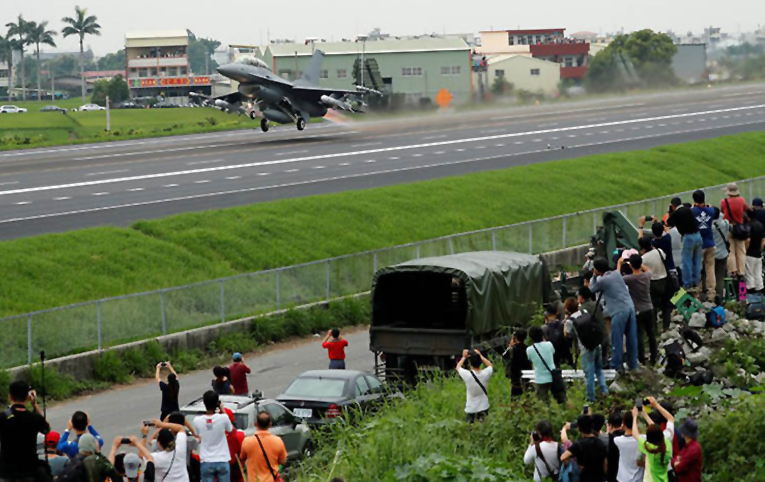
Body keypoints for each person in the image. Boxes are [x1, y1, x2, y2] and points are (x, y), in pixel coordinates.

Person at [589, 258, 638, 371]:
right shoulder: (616, 274)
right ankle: (632, 364)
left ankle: (616, 365)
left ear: (597, 269)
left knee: (617, 339)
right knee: (631, 338)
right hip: (630, 307)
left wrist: (594, 276)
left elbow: (592, 289)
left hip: (618, 311)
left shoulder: (603, 280)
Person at [0, 381, 50, 482]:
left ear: (10, 397)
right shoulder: (34, 418)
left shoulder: (3, 417)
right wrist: (34, 404)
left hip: (7, 472)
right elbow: (46, 428)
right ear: (27, 397)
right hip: (29, 471)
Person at [564, 298, 608, 402]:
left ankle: (591, 399)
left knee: (589, 375)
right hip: (597, 344)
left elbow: (566, 334)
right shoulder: (584, 312)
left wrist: (566, 320)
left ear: (568, 309)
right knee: (599, 370)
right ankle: (605, 392)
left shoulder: (571, 320)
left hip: (586, 349)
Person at [621, 254, 657, 367]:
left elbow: (617, 278)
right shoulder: (647, 275)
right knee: (651, 334)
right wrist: (639, 263)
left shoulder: (629, 279)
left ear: (630, 265)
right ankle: (654, 358)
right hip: (649, 308)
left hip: (638, 310)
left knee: (639, 335)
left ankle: (642, 359)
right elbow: (648, 269)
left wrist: (619, 263)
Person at [193, 391, 233, 482]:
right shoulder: (223, 418)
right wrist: (222, 409)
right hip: (222, 458)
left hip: (206, 460)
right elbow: (231, 430)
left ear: (204, 403)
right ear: (217, 403)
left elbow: (197, 438)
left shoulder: (197, 420)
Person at [240, 412, 288, 482]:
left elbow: (242, 458)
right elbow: (283, 461)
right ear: (270, 424)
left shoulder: (247, 441)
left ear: (256, 424)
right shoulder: (278, 441)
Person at [638, 237, 672, 333]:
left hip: (652, 283)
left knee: (653, 307)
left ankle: (653, 328)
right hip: (664, 280)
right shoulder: (660, 251)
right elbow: (664, 258)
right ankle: (666, 327)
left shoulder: (643, 259)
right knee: (665, 305)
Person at [668, 200, 703, 293]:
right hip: (698, 236)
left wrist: (670, 213)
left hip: (688, 237)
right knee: (697, 260)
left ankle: (688, 284)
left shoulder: (677, 212)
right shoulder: (688, 209)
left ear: (672, 206)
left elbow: (669, 222)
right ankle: (696, 281)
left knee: (687, 261)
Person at [561, 415, 608, 482]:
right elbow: (605, 465)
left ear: (579, 428)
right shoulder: (600, 442)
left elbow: (563, 457)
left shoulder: (579, 444)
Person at [691, 190, 719, 301]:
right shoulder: (711, 211)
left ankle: (697, 294)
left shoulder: (692, 212)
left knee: (698, 269)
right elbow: (715, 210)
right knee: (710, 269)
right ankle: (711, 293)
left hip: (698, 245)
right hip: (710, 243)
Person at [526, 326, 566, 404]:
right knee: (561, 399)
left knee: (543, 402)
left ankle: (546, 414)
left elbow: (530, 360)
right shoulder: (549, 345)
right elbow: (553, 353)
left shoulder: (529, 350)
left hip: (540, 379)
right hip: (553, 376)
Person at [632, 409, 671, 482]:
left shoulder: (649, 447)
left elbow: (635, 434)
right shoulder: (667, 443)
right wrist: (645, 415)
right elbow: (657, 431)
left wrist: (634, 417)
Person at [456, 349, 494, 422]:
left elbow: (458, 367)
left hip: (471, 409)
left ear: (470, 363)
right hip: (484, 407)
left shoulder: (467, 375)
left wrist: (464, 357)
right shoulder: (486, 373)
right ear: (480, 362)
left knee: (470, 430)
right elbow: (490, 365)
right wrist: (480, 355)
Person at [720, 183, 748, 279]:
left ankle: (733, 271)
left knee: (730, 250)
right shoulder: (742, 200)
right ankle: (741, 272)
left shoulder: (724, 202)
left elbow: (723, 212)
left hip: (728, 227)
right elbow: (745, 210)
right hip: (740, 227)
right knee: (741, 250)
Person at [578, 286, 610, 363]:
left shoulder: (582, 309)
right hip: (604, 336)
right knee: (603, 360)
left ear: (581, 297)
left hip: (594, 341)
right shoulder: (598, 304)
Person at [613, 412, 643, 482]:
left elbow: (611, 432)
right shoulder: (643, 439)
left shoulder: (618, 440)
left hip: (622, 478)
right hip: (639, 479)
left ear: (623, 424)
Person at [543, 304, 573, 368]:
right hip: (564, 354)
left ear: (547, 315)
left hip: (551, 356)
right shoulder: (563, 325)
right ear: (557, 313)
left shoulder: (545, 328)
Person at [711, 209, 730, 300]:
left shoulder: (710, 227)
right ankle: (720, 297)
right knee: (720, 277)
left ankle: (711, 296)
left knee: (711, 276)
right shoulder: (725, 223)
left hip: (712, 255)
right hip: (723, 254)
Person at [745, 208, 765, 294]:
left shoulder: (748, 225)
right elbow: (763, 240)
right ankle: (760, 291)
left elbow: (748, 240)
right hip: (758, 253)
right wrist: (760, 249)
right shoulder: (760, 225)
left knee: (748, 274)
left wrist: (745, 250)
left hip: (749, 253)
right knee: (758, 274)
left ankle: (748, 294)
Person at [509, 329, 532, 398]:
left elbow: (505, 358)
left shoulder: (514, 350)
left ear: (515, 338)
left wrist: (510, 346)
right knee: (527, 393)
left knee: (515, 397)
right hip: (527, 375)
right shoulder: (527, 349)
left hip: (516, 378)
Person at [606, 413, 625, 482]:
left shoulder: (610, 439)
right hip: (625, 475)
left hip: (612, 475)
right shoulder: (626, 437)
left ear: (610, 425)